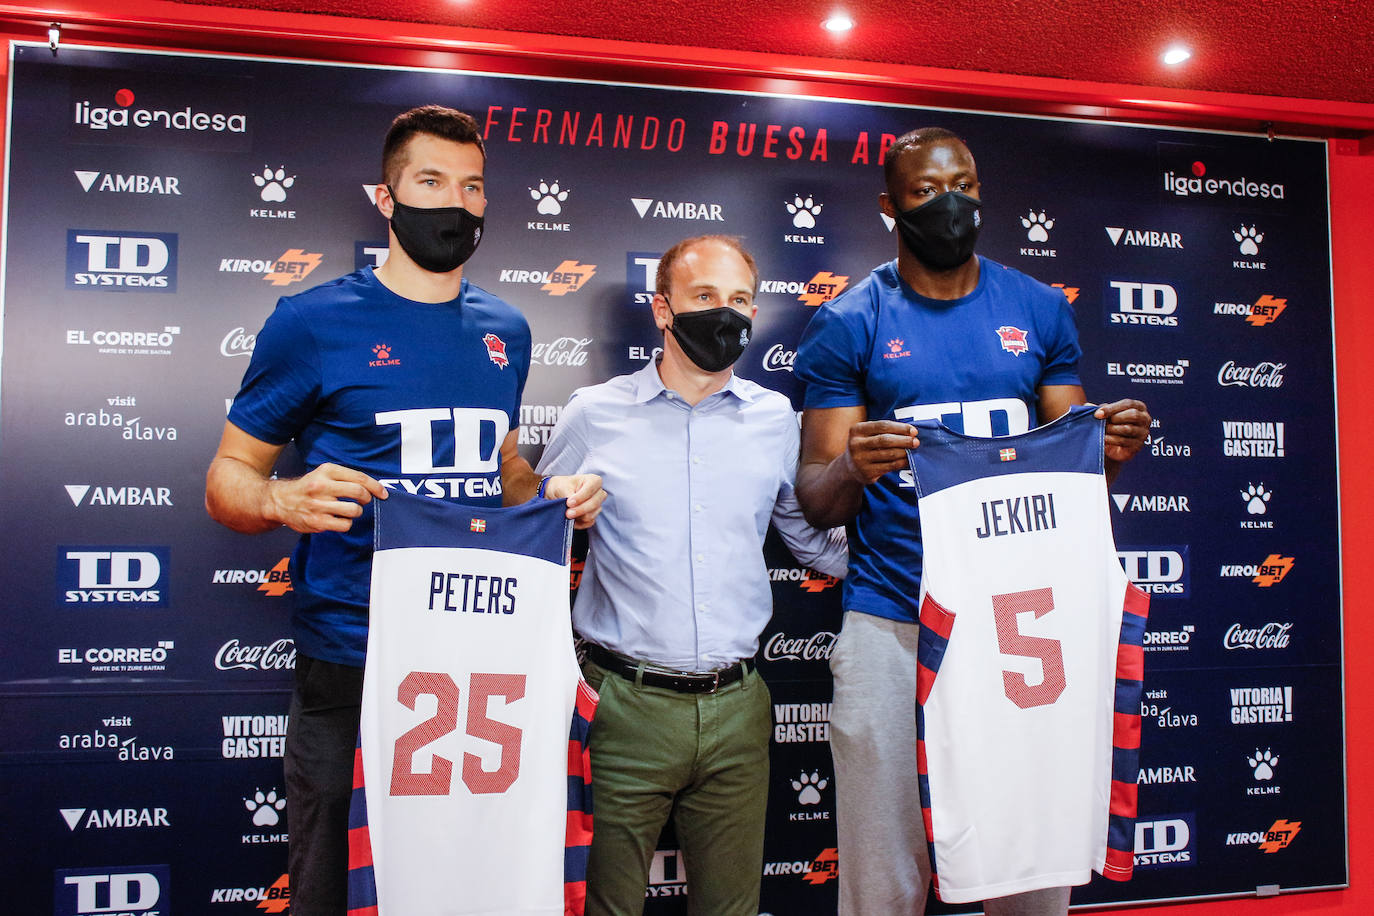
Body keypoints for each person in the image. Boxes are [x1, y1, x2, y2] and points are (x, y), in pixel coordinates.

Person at [204, 104, 604, 916]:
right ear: (385, 199)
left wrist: (554, 499)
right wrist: (282, 495)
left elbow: (503, 465)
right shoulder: (312, 323)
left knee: (466, 884)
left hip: (480, 663)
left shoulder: (507, 329)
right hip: (354, 656)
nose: (454, 203)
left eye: (472, 187)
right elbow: (226, 479)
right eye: (430, 182)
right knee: (333, 887)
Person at [793, 127, 1150, 916]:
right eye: (925, 191)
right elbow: (817, 498)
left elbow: (1078, 475)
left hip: (1019, 621)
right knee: (883, 877)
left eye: (966, 184)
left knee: (1027, 855)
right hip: (894, 615)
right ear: (891, 206)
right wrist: (855, 463)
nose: (950, 203)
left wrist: (1114, 448)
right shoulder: (852, 319)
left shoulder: (1037, 308)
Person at [536, 234, 847, 916]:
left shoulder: (774, 419)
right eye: (704, 297)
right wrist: (556, 507)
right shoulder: (595, 412)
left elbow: (814, 544)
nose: (724, 314)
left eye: (739, 299)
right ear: (663, 309)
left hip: (739, 707)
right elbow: (527, 534)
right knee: (603, 906)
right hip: (623, 707)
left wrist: (927, 554)